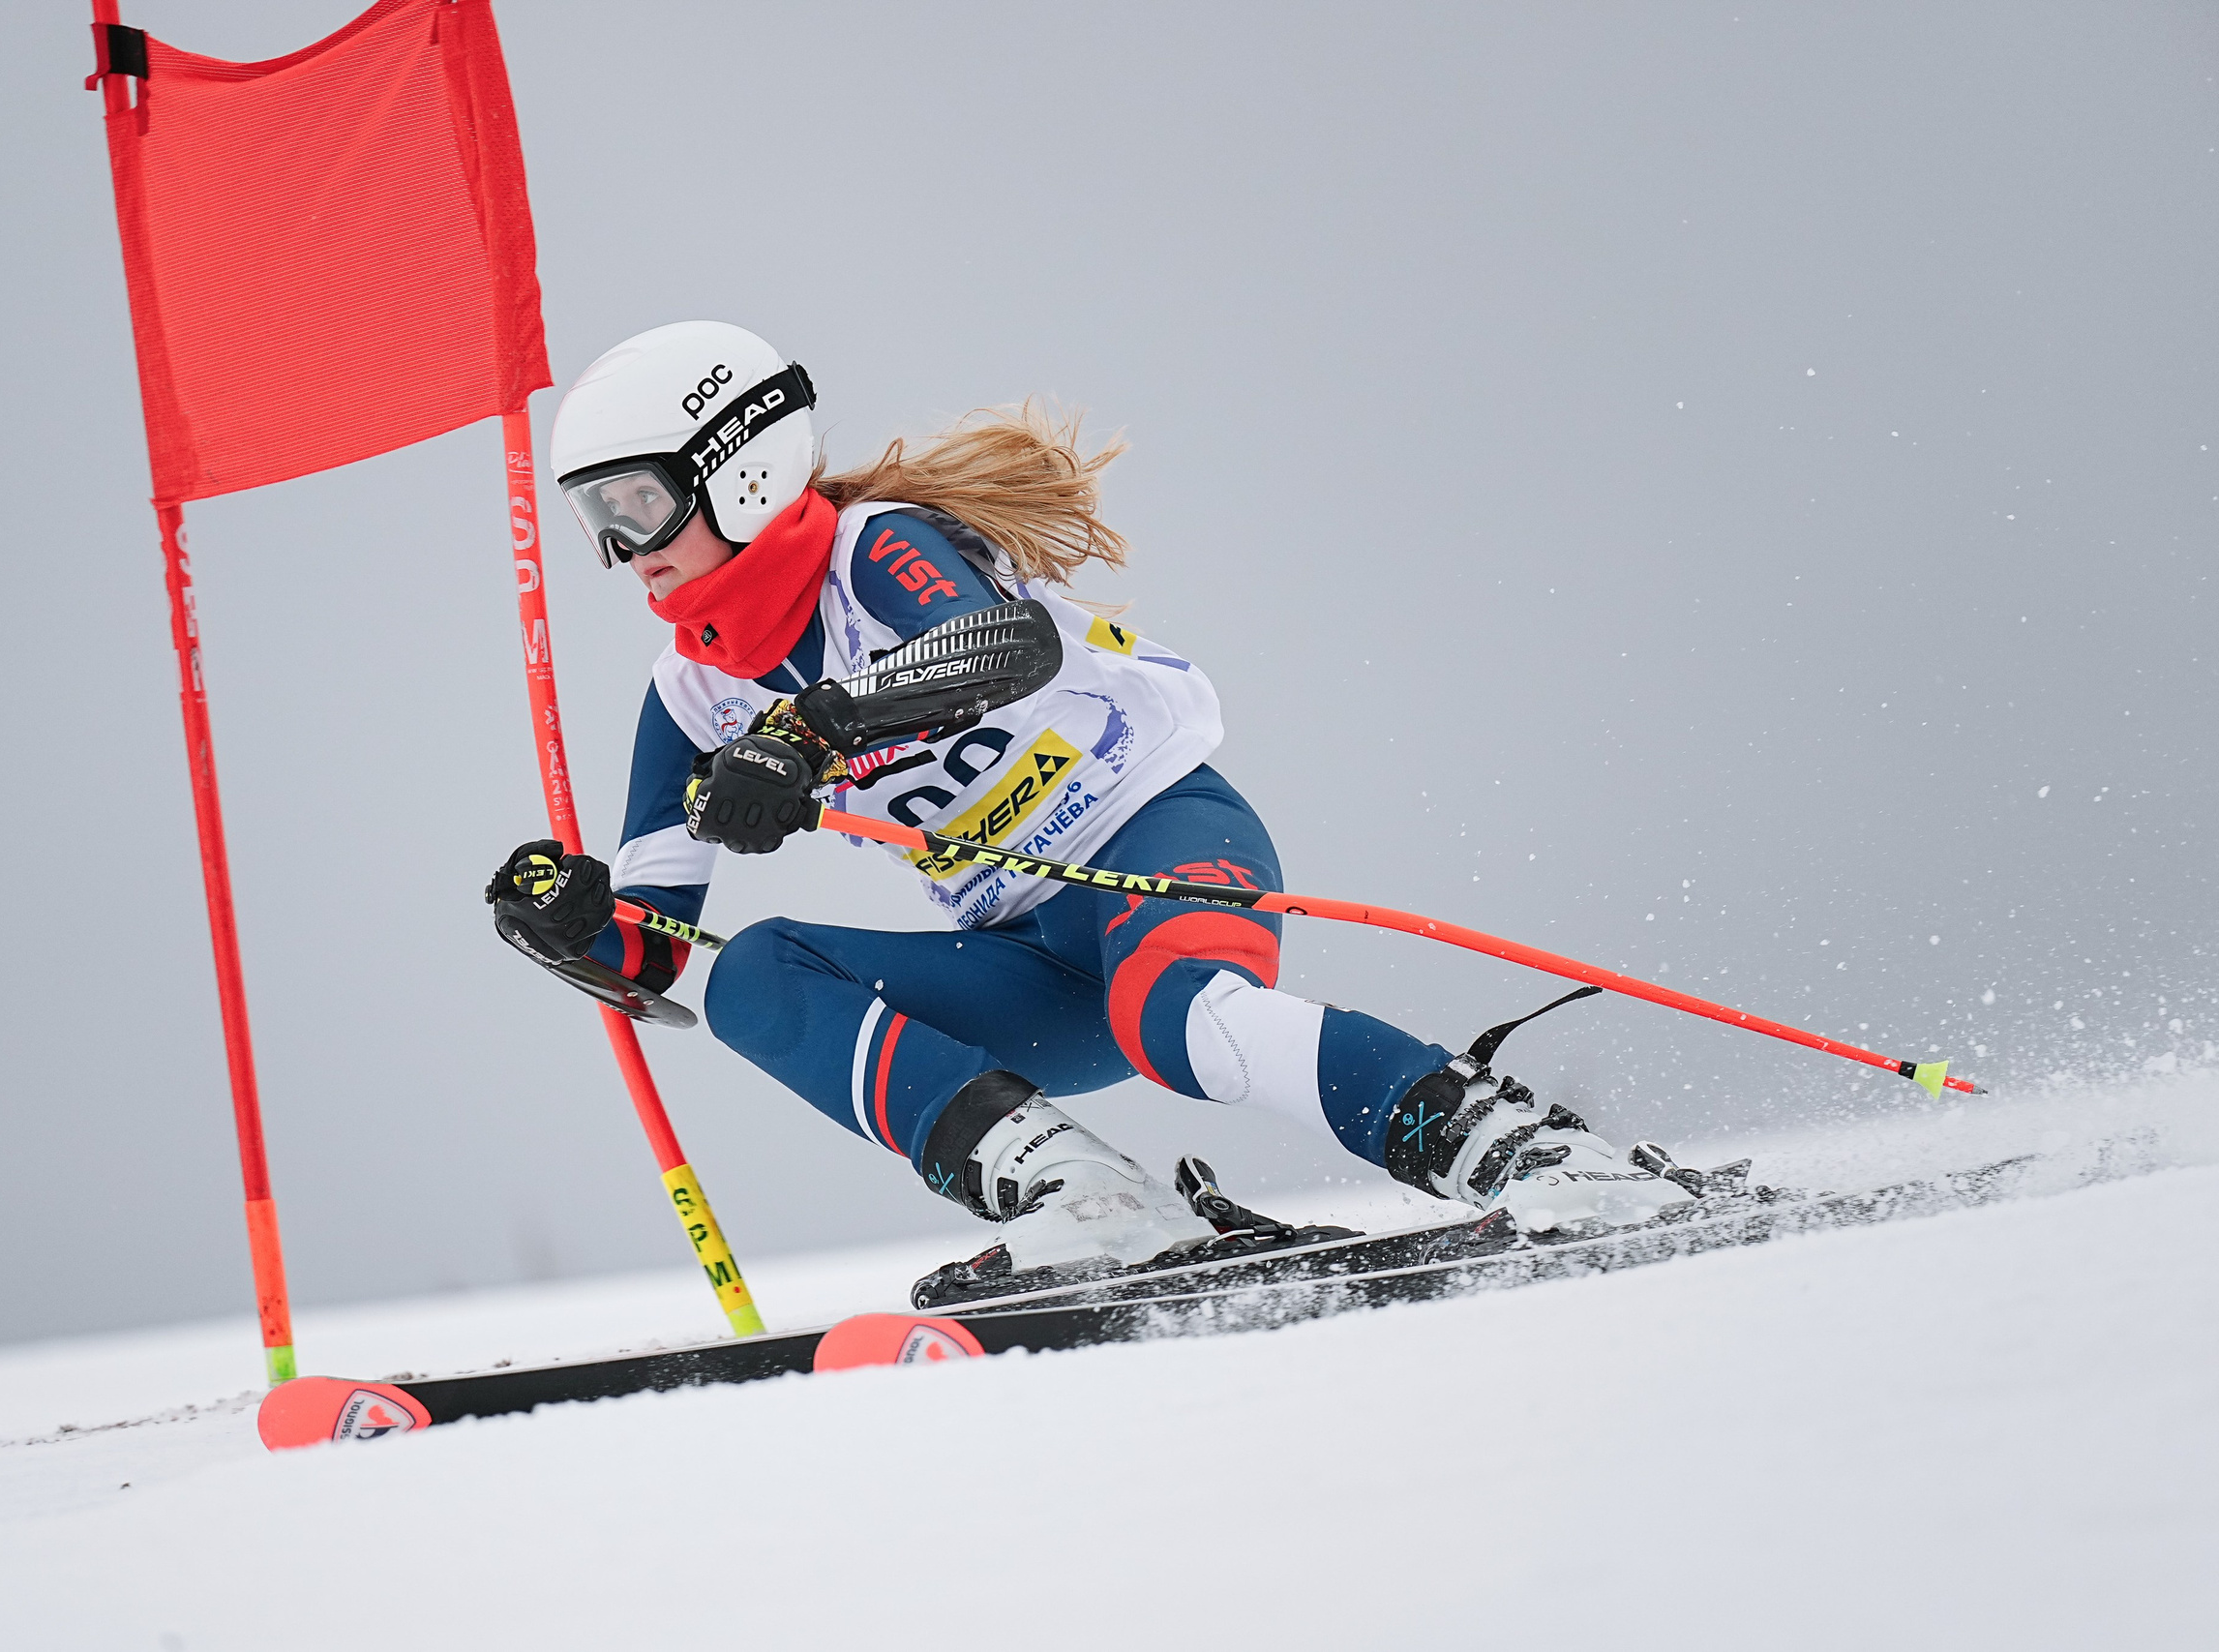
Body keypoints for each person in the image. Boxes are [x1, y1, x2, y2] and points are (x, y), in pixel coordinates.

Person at [488, 320, 1699, 1295]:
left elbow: (995, 644)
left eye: (637, 506)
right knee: (754, 974)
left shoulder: (875, 552)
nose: (623, 552)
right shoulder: (692, 691)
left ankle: (1529, 1153)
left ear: (741, 470)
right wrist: (573, 925)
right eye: (597, 522)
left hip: (1152, 836)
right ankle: (1087, 1200)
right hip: (1028, 955)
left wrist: (811, 731)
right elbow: (656, 948)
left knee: (1182, 1024)